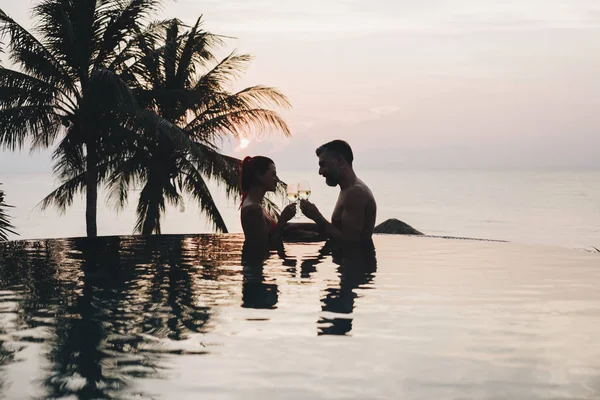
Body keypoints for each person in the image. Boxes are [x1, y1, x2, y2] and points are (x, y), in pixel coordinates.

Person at [300, 140, 377, 242]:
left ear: (340, 160)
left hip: (356, 258)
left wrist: (317, 217)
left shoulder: (355, 193)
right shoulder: (348, 189)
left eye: (323, 164)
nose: (320, 172)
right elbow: (339, 229)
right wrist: (298, 226)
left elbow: (351, 242)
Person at [239, 156, 296, 254]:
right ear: (259, 175)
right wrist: (283, 219)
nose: (277, 179)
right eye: (273, 174)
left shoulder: (256, 205)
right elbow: (263, 248)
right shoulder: (253, 209)